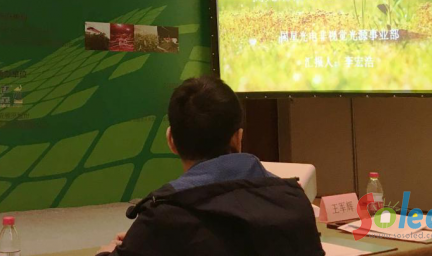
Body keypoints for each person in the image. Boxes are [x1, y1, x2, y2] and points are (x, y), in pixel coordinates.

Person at [96, 75, 323, 256]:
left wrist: (113, 250)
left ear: (171, 140)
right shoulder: (295, 202)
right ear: (238, 138)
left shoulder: (162, 219)